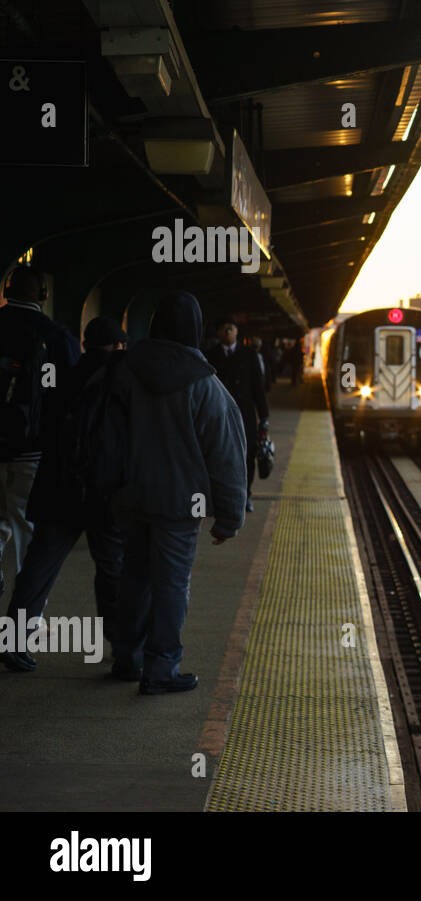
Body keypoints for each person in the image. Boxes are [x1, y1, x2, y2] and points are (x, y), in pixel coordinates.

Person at [110, 292, 247, 695]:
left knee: (133, 576)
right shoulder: (204, 383)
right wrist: (229, 517)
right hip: (181, 501)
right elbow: (226, 454)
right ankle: (161, 668)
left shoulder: (123, 371)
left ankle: (127, 658)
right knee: (171, 584)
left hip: (128, 496)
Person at [1, 318, 128, 674]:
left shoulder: (64, 376)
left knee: (39, 566)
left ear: (86, 344)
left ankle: (13, 641)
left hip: (60, 486)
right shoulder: (123, 384)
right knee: (112, 569)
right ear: (118, 347)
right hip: (103, 492)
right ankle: (122, 649)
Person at [0, 267, 79, 603]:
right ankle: (26, 617)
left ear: (7, 290)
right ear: (44, 295)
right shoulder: (56, 337)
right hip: (32, 450)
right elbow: (71, 396)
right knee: (26, 530)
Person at [205, 320, 268, 513]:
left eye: (230, 328)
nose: (227, 332)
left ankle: (245, 495)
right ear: (218, 332)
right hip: (218, 415)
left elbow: (258, 387)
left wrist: (264, 417)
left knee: (247, 456)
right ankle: (219, 498)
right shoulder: (210, 355)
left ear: (237, 332)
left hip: (244, 415)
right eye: (223, 328)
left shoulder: (250, 355)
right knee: (218, 455)